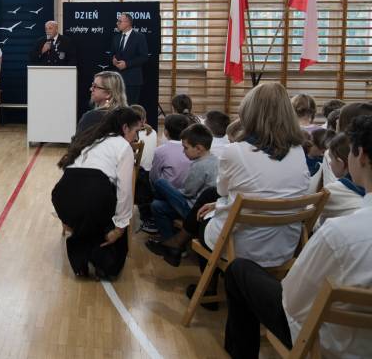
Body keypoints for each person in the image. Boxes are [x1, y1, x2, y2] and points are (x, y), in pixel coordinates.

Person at [222, 114, 372, 359]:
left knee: (238, 270)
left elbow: (292, 303)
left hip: (333, 346)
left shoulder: (340, 233)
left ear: (361, 155)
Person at [192, 83, 310, 304]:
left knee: (202, 221)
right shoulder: (298, 151)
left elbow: (222, 191)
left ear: (249, 112)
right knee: (215, 208)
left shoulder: (235, 151)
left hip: (241, 248)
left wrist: (220, 204)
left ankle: (210, 288)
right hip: (283, 247)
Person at [52, 107, 141, 280]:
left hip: (62, 196)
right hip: (93, 195)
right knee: (109, 217)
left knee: (90, 214)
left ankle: (80, 260)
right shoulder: (123, 146)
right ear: (125, 128)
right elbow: (125, 192)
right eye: (136, 131)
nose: (136, 137)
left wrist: (66, 220)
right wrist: (120, 228)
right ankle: (105, 265)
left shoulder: (90, 139)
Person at [146, 123, 219, 262]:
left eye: (185, 148)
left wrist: (171, 192)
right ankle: (173, 247)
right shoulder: (214, 159)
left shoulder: (200, 165)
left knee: (160, 183)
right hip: (200, 208)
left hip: (194, 210)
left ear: (199, 149)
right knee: (157, 206)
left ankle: (171, 244)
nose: (183, 152)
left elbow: (188, 192)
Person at [307, 132, 364, 221]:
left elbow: (310, 212)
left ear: (340, 163)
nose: (329, 163)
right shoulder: (366, 186)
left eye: (331, 159)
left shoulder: (332, 190)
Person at [110, 13, 148, 105]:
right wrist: (113, 59)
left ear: (128, 23)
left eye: (119, 21)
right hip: (117, 80)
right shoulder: (116, 37)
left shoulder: (139, 37)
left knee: (130, 108)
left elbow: (144, 57)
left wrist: (127, 64)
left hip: (132, 80)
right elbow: (112, 54)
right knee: (117, 107)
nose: (117, 23)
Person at [76, 71, 128, 135]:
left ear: (108, 93)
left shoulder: (92, 117)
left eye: (95, 86)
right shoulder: (129, 116)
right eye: (92, 85)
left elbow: (79, 140)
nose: (91, 89)